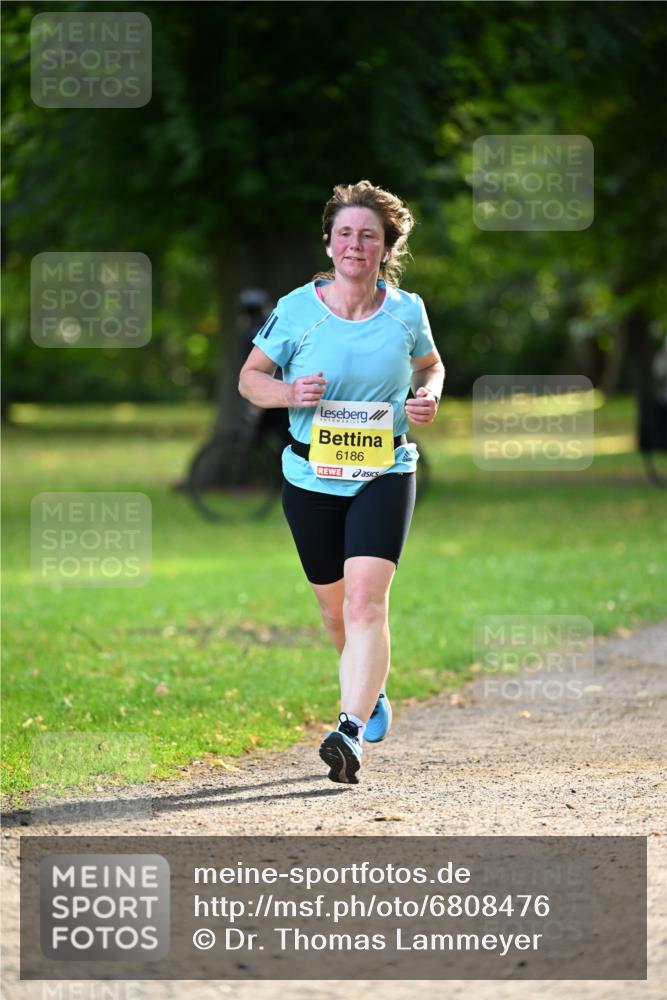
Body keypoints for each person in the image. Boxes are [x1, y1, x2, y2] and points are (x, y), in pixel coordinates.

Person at [238, 180, 445, 784]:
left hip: (386, 470)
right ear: (329, 244)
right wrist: (288, 392)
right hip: (310, 476)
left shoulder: (407, 311)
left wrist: (427, 396)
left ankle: (349, 729)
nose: (356, 245)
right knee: (336, 614)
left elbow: (431, 366)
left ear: (386, 248)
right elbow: (250, 379)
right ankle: (369, 689)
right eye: (345, 234)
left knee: (364, 602)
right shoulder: (297, 310)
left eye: (369, 236)